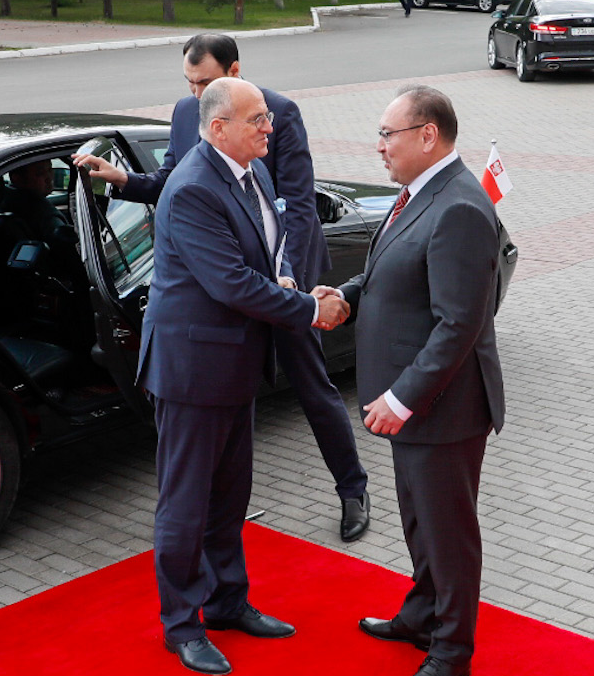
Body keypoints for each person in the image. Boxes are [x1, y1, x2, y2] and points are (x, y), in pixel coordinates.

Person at [74, 32, 375, 542]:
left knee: (312, 387)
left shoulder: (277, 114)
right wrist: (122, 180)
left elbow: (298, 207)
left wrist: (293, 289)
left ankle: (353, 488)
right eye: (189, 83)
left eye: (205, 82)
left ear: (234, 72)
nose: (196, 94)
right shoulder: (185, 113)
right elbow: (173, 182)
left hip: (284, 281)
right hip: (238, 289)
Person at [139, 77, 348, 675]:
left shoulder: (247, 171)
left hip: (232, 364)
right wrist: (308, 309)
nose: (269, 127)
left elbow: (256, 255)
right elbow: (229, 282)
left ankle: (228, 603)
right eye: (256, 119)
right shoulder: (192, 188)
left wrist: (285, 283)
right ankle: (182, 625)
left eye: (266, 117)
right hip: (193, 370)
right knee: (186, 504)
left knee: (230, 497)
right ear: (217, 128)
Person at [324, 85, 505, 676]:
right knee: (419, 521)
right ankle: (422, 615)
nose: (379, 147)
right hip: (415, 407)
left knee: (448, 532)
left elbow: (459, 323)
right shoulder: (417, 195)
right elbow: (387, 274)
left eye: (388, 134)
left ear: (428, 135)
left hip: (443, 408)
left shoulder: (459, 207)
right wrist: (346, 296)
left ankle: (452, 651)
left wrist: (401, 398)